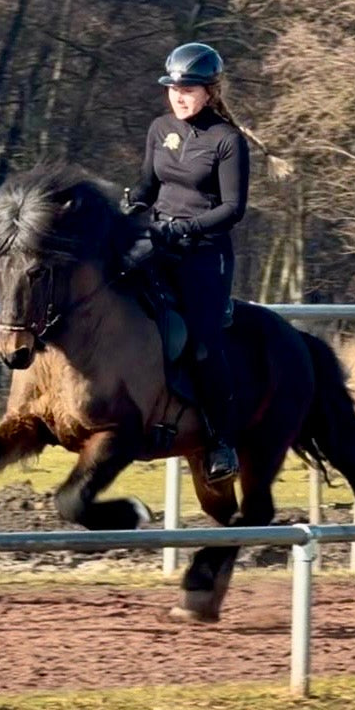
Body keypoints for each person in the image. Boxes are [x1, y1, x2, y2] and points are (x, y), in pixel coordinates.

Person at [122, 42, 251, 483]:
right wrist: (128, 204)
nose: (179, 96)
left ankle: (221, 441)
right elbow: (146, 185)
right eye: (174, 88)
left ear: (210, 91)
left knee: (201, 346)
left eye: (189, 88)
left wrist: (186, 229)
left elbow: (233, 209)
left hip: (203, 253)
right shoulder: (161, 128)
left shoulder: (227, 141)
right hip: (157, 240)